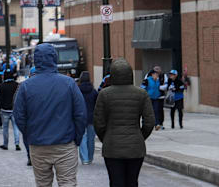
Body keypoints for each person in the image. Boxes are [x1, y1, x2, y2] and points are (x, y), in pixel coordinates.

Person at [13, 43, 86, 186]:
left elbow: (19, 116)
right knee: (68, 183)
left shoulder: (26, 86)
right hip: (65, 143)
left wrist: (29, 135)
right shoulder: (69, 83)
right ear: (55, 58)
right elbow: (80, 114)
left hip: (38, 143)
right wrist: (76, 138)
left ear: (35, 60)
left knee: (43, 183)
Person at [94, 59, 154, 187]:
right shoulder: (141, 94)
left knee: (116, 181)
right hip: (135, 147)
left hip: (112, 146)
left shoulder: (104, 94)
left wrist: (106, 138)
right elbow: (149, 122)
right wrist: (140, 136)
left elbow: (98, 123)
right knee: (132, 181)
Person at [77, 71, 98, 165]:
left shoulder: (77, 90)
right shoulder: (94, 92)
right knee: (91, 139)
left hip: (80, 117)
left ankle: (84, 158)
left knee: (82, 138)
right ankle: (90, 157)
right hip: (92, 117)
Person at [0, 71, 21, 151]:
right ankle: (17, 143)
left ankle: (5, 144)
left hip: (4, 110)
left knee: (5, 128)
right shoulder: (17, 85)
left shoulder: (2, 86)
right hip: (14, 110)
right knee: (16, 127)